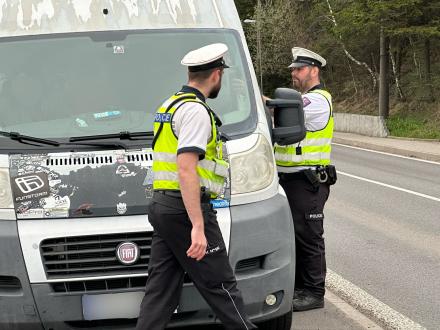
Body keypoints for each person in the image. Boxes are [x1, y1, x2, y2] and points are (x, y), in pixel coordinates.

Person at [136, 43, 257, 330]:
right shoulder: (195, 111)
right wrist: (198, 226)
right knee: (222, 287)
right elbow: (186, 168)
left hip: (163, 206)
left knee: (160, 292)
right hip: (184, 208)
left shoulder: (169, 105)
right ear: (217, 75)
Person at [269, 47, 336, 312]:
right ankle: (300, 287)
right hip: (289, 179)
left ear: (314, 70)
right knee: (294, 237)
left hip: (307, 181)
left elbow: (282, 111)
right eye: (293, 69)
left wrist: (254, 100)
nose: (294, 73)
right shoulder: (303, 99)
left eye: (299, 69)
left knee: (309, 237)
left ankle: (314, 292)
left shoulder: (318, 100)